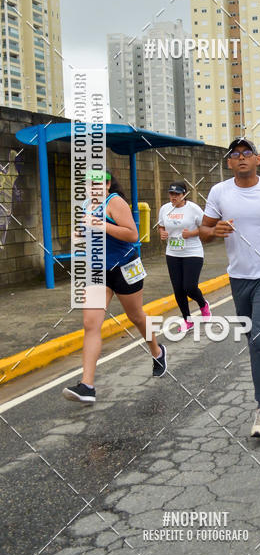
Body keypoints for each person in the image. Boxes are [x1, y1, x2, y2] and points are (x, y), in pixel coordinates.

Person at [199, 138, 260, 439]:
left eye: (246, 153)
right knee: (254, 339)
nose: (240, 158)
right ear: (228, 162)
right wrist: (214, 231)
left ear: (258, 159)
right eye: (234, 155)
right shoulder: (219, 192)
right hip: (238, 276)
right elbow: (204, 231)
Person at [63, 171, 167, 404]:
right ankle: (87, 386)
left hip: (124, 269)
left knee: (136, 316)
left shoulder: (115, 202)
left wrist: (100, 225)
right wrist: (79, 234)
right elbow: (83, 233)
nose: (94, 187)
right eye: (89, 183)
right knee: (91, 324)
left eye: (100, 183)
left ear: (108, 184)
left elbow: (132, 235)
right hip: (97, 271)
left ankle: (157, 352)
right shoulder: (86, 205)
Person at [158, 181, 211, 334]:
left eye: (177, 194)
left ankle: (203, 304)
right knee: (178, 289)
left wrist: (192, 233)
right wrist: (162, 233)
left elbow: (206, 227)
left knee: (189, 286)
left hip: (192, 252)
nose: (173, 197)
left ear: (184, 195)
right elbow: (161, 226)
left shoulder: (193, 209)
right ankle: (188, 320)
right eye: (171, 194)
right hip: (173, 253)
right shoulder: (165, 209)